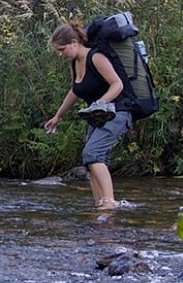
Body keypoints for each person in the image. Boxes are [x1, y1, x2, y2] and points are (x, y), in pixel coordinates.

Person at [44, 23, 128, 211]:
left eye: (62, 49)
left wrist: (99, 103)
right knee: (93, 163)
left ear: (74, 42)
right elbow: (75, 90)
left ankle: (109, 203)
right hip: (99, 116)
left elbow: (118, 85)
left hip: (119, 112)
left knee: (92, 154)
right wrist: (58, 116)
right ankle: (99, 205)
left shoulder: (96, 57)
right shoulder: (75, 63)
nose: (60, 54)